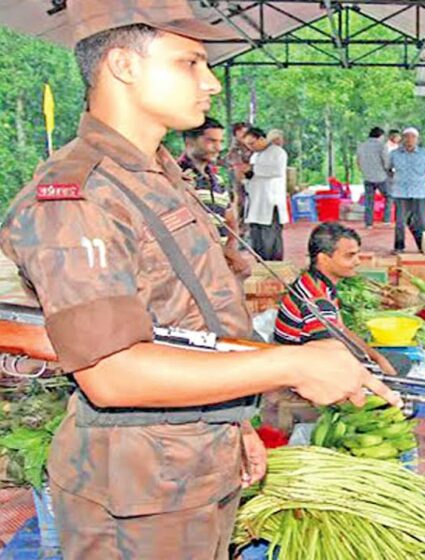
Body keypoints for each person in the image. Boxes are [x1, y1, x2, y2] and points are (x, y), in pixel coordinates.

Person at [0, 3, 399, 558]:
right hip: (137, 494)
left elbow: (191, 321)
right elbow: (111, 373)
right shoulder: (80, 195)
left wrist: (234, 422)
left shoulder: (157, 175)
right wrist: (291, 363)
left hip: (194, 458)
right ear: (123, 65)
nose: (209, 82)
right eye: (189, 62)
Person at [274, 223, 397, 374]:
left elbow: (341, 329)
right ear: (324, 259)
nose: (357, 261)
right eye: (349, 256)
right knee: (399, 365)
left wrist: (377, 358)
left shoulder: (316, 282)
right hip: (301, 370)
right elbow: (329, 358)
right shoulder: (318, 300)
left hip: (314, 358)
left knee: (391, 360)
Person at [177, 116, 234, 240]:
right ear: (189, 141)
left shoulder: (218, 180)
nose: (219, 148)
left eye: (220, 141)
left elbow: (230, 221)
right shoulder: (176, 177)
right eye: (211, 141)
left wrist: (230, 249)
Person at [244, 126, 288, 260]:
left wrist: (253, 169)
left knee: (270, 239)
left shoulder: (278, 152)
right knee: (257, 241)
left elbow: (277, 171)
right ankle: (261, 266)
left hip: (270, 203)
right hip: (255, 202)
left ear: (261, 139)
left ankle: (274, 268)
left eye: (252, 143)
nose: (250, 147)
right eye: (248, 145)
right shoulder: (255, 155)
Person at [388, 127, 425, 254]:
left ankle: (423, 247)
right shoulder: (394, 154)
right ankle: (399, 246)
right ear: (402, 139)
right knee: (400, 222)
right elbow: (388, 169)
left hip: (418, 192)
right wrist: (396, 179)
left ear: (417, 139)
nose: (409, 140)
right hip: (400, 192)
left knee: (421, 223)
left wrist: (420, 180)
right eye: (407, 136)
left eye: (412, 137)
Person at [356, 126, 391, 228]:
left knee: (369, 201)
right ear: (380, 135)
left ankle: (368, 223)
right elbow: (386, 162)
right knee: (389, 196)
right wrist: (389, 171)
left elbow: (358, 161)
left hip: (367, 177)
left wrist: (364, 171)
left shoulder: (361, 145)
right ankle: (386, 220)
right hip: (381, 177)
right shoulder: (382, 146)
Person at [226, 121, 252, 228]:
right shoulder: (235, 150)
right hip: (240, 182)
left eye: (246, 131)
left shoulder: (252, 146)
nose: (243, 134)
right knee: (240, 204)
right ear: (235, 134)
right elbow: (238, 168)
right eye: (240, 131)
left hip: (253, 181)